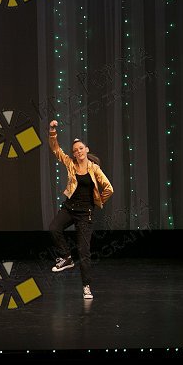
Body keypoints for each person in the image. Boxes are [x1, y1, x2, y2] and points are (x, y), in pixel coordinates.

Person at [48, 120, 113, 299]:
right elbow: (56, 150)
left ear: (86, 149)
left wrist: (96, 202)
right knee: (54, 228)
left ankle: (86, 287)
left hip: (85, 214)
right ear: (74, 154)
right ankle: (67, 258)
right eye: (75, 150)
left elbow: (109, 188)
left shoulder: (94, 168)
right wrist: (52, 131)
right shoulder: (71, 164)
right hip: (69, 208)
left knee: (84, 252)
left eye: (81, 149)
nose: (78, 152)